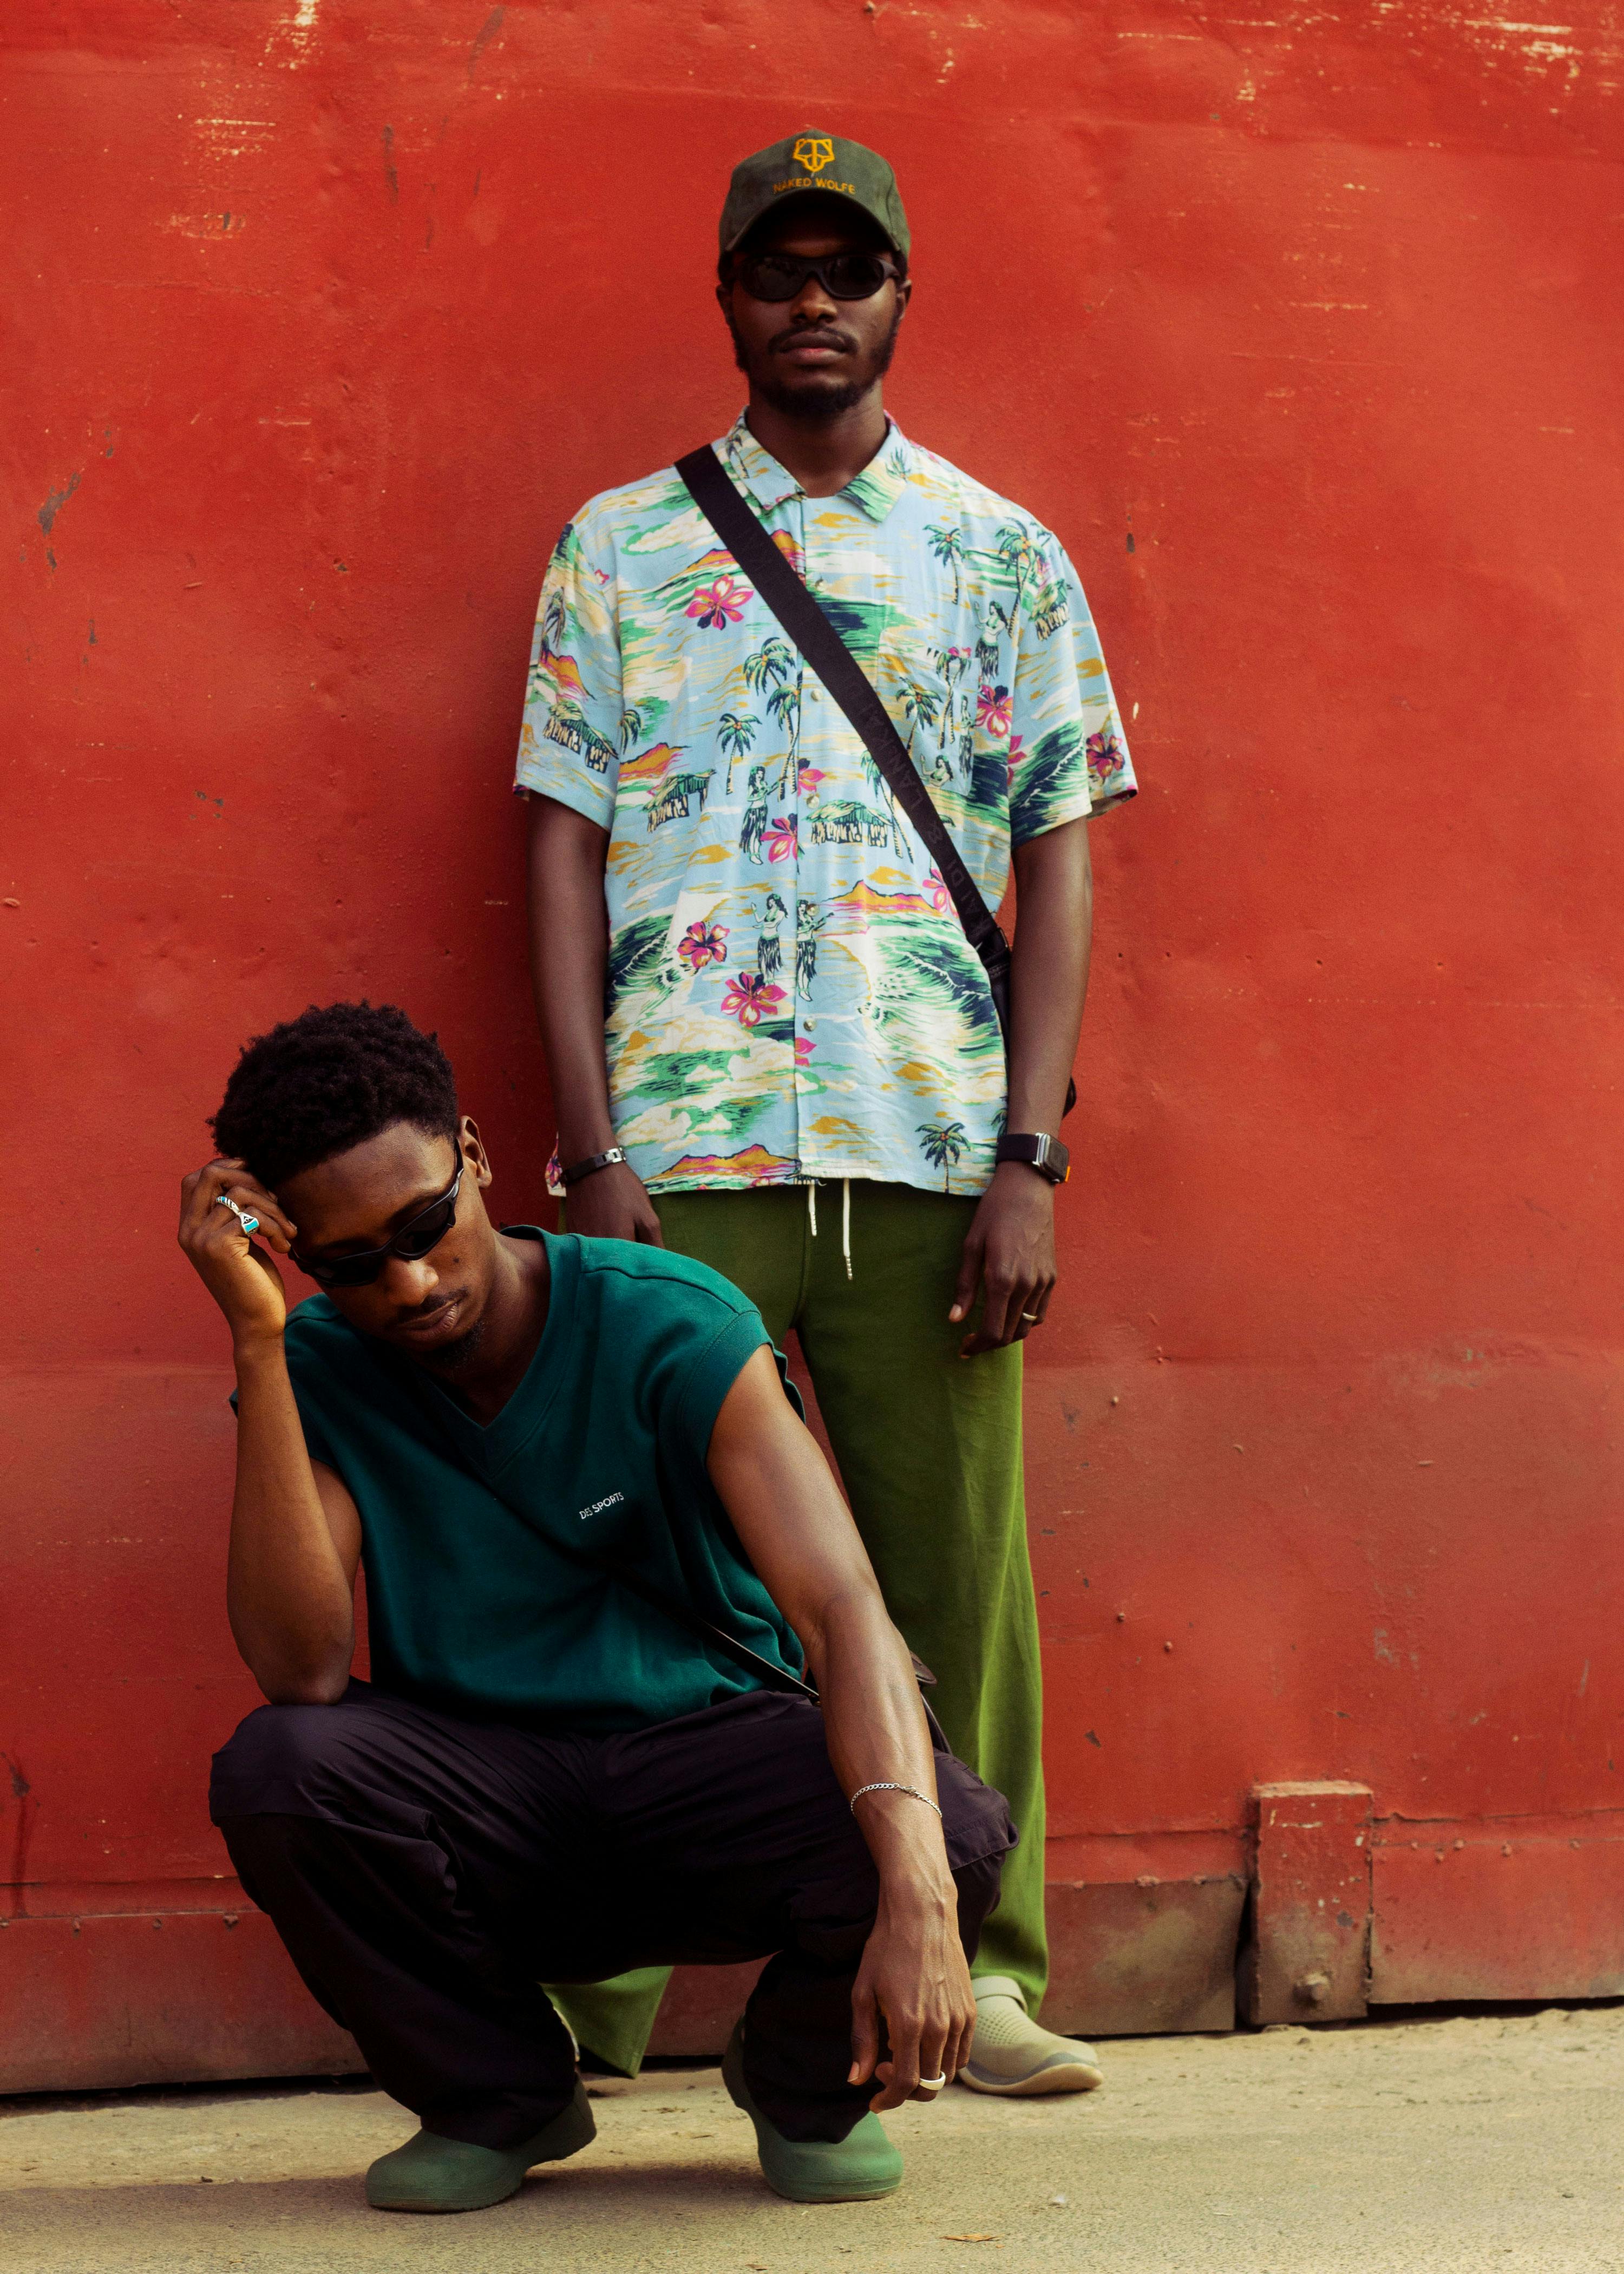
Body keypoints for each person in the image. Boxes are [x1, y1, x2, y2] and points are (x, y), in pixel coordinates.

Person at [521, 130, 1136, 2094]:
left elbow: (1060, 863)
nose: (814, 303)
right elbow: (558, 844)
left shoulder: (1003, 554)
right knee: (644, 1561)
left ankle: (997, 1961)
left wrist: (1029, 1156)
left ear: (897, 294)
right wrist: (594, 1147)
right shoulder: (619, 548)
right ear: (727, 298)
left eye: (847, 271)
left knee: (961, 1566)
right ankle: (596, 1990)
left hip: (929, 1144)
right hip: (685, 1157)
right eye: (777, 272)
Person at [182, 1001, 1013, 2215]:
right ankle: (502, 2100)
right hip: (496, 1801)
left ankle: (798, 2085)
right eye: (352, 1262)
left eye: (425, 1226)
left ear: (474, 1154)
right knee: (283, 1768)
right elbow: (301, 1671)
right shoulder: (319, 1364)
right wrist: (261, 1345)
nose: (409, 1283)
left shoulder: (667, 1320)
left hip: (707, 1767)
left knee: (959, 1831)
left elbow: (842, 1614)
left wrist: (922, 1897)